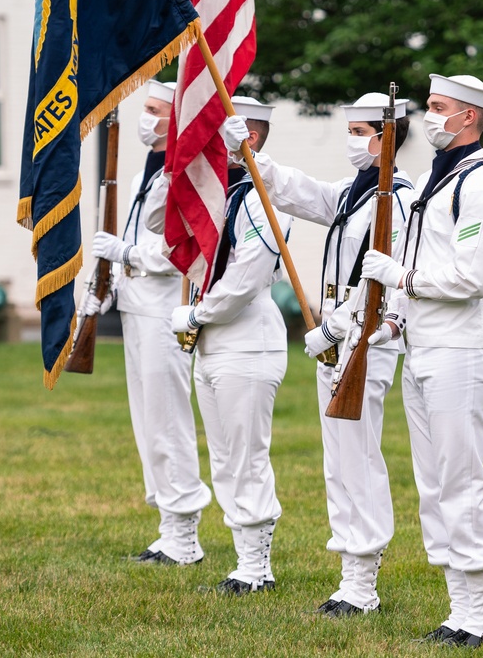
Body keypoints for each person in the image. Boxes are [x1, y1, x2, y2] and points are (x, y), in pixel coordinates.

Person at [218, 92, 415, 615]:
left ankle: (362, 581)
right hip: (335, 340)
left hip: (363, 340)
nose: (352, 141)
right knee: (339, 461)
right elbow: (295, 191)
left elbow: (383, 279)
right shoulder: (355, 193)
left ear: (387, 136)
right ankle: (352, 573)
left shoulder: (398, 196)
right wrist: (250, 157)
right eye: (348, 131)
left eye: (360, 132)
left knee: (358, 457)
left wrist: (338, 325)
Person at [359, 74, 483, 647]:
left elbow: (472, 277)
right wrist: (397, 313)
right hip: (425, 343)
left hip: (462, 349)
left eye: (437, 108)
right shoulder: (444, 174)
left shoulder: (481, 182)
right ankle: (461, 611)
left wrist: (400, 277)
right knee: (433, 484)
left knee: (460, 479)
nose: (427, 117)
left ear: (470, 118)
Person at [168, 97, 291, 595]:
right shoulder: (215, 196)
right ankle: (244, 559)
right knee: (222, 457)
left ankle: (257, 566)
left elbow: (246, 278)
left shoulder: (257, 198)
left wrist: (198, 313)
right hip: (214, 344)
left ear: (249, 138)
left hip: (248, 342)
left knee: (246, 455)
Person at [86, 79, 212, 565]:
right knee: (147, 422)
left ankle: (185, 535)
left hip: (165, 308)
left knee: (167, 420)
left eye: (156, 109)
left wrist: (128, 253)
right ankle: (168, 525)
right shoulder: (150, 166)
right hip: (137, 304)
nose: (147, 118)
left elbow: (182, 245)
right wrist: (111, 284)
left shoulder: (185, 168)